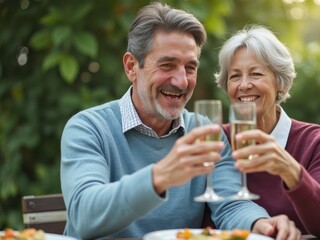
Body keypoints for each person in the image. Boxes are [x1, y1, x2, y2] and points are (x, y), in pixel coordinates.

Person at [60, 3, 301, 239]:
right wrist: (160, 176)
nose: (181, 81)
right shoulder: (88, 128)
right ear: (132, 67)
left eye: (190, 68)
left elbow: (231, 205)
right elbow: (84, 215)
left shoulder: (206, 131)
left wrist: (261, 223)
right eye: (168, 65)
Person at [212, 25, 320, 237]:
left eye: (256, 74)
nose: (244, 85)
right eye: (235, 76)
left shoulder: (313, 141)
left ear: (281, 84)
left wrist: (290, 171)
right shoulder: (217, 140)